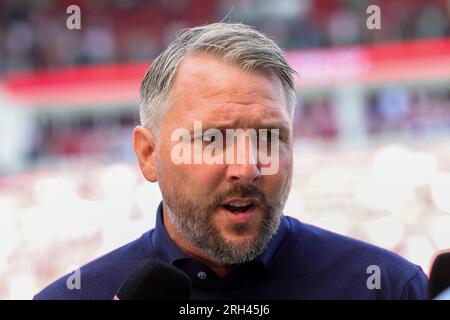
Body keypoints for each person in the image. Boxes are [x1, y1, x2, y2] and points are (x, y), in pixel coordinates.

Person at [35, 22, 427, 300]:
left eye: (270, 137)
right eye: (212, 139)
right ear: (148, 155)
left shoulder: (388, 288)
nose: (248, 166)